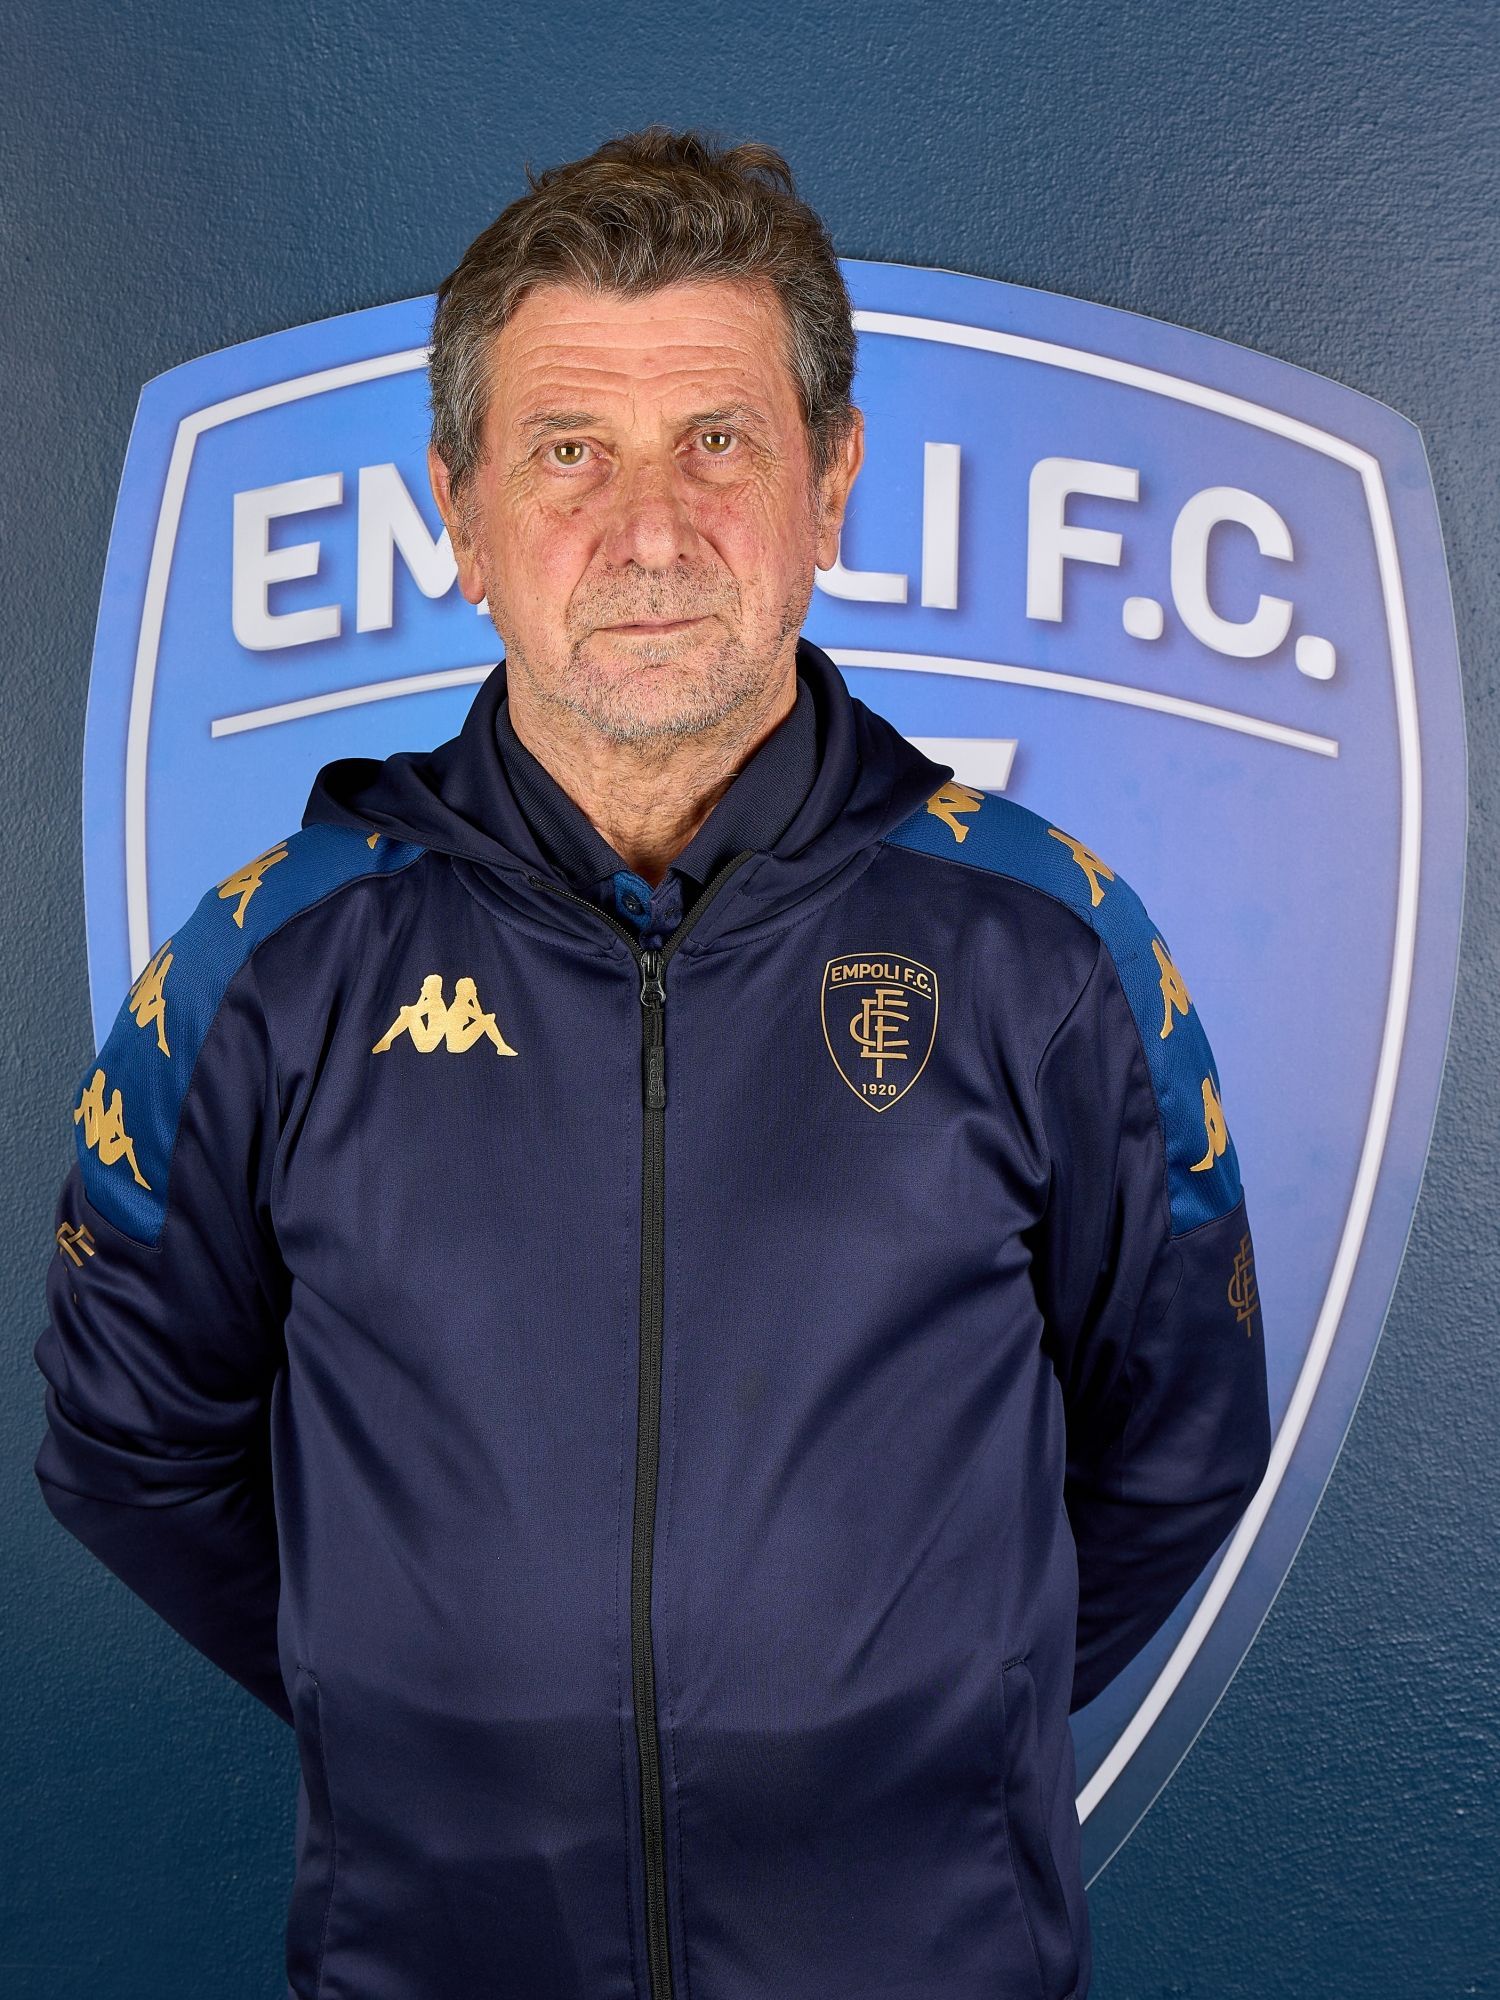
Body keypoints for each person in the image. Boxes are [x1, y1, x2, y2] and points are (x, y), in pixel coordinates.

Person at [35, 125, 1272, 2000]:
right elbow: (133, 1451)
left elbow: (1176, 1448)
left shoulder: (1049, 950)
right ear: (458, 512)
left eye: (717, 441)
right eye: (567, 453)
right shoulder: (266, 967)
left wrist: (934, 1717)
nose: (651, 533)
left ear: (829, 483)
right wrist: (418, 1699)